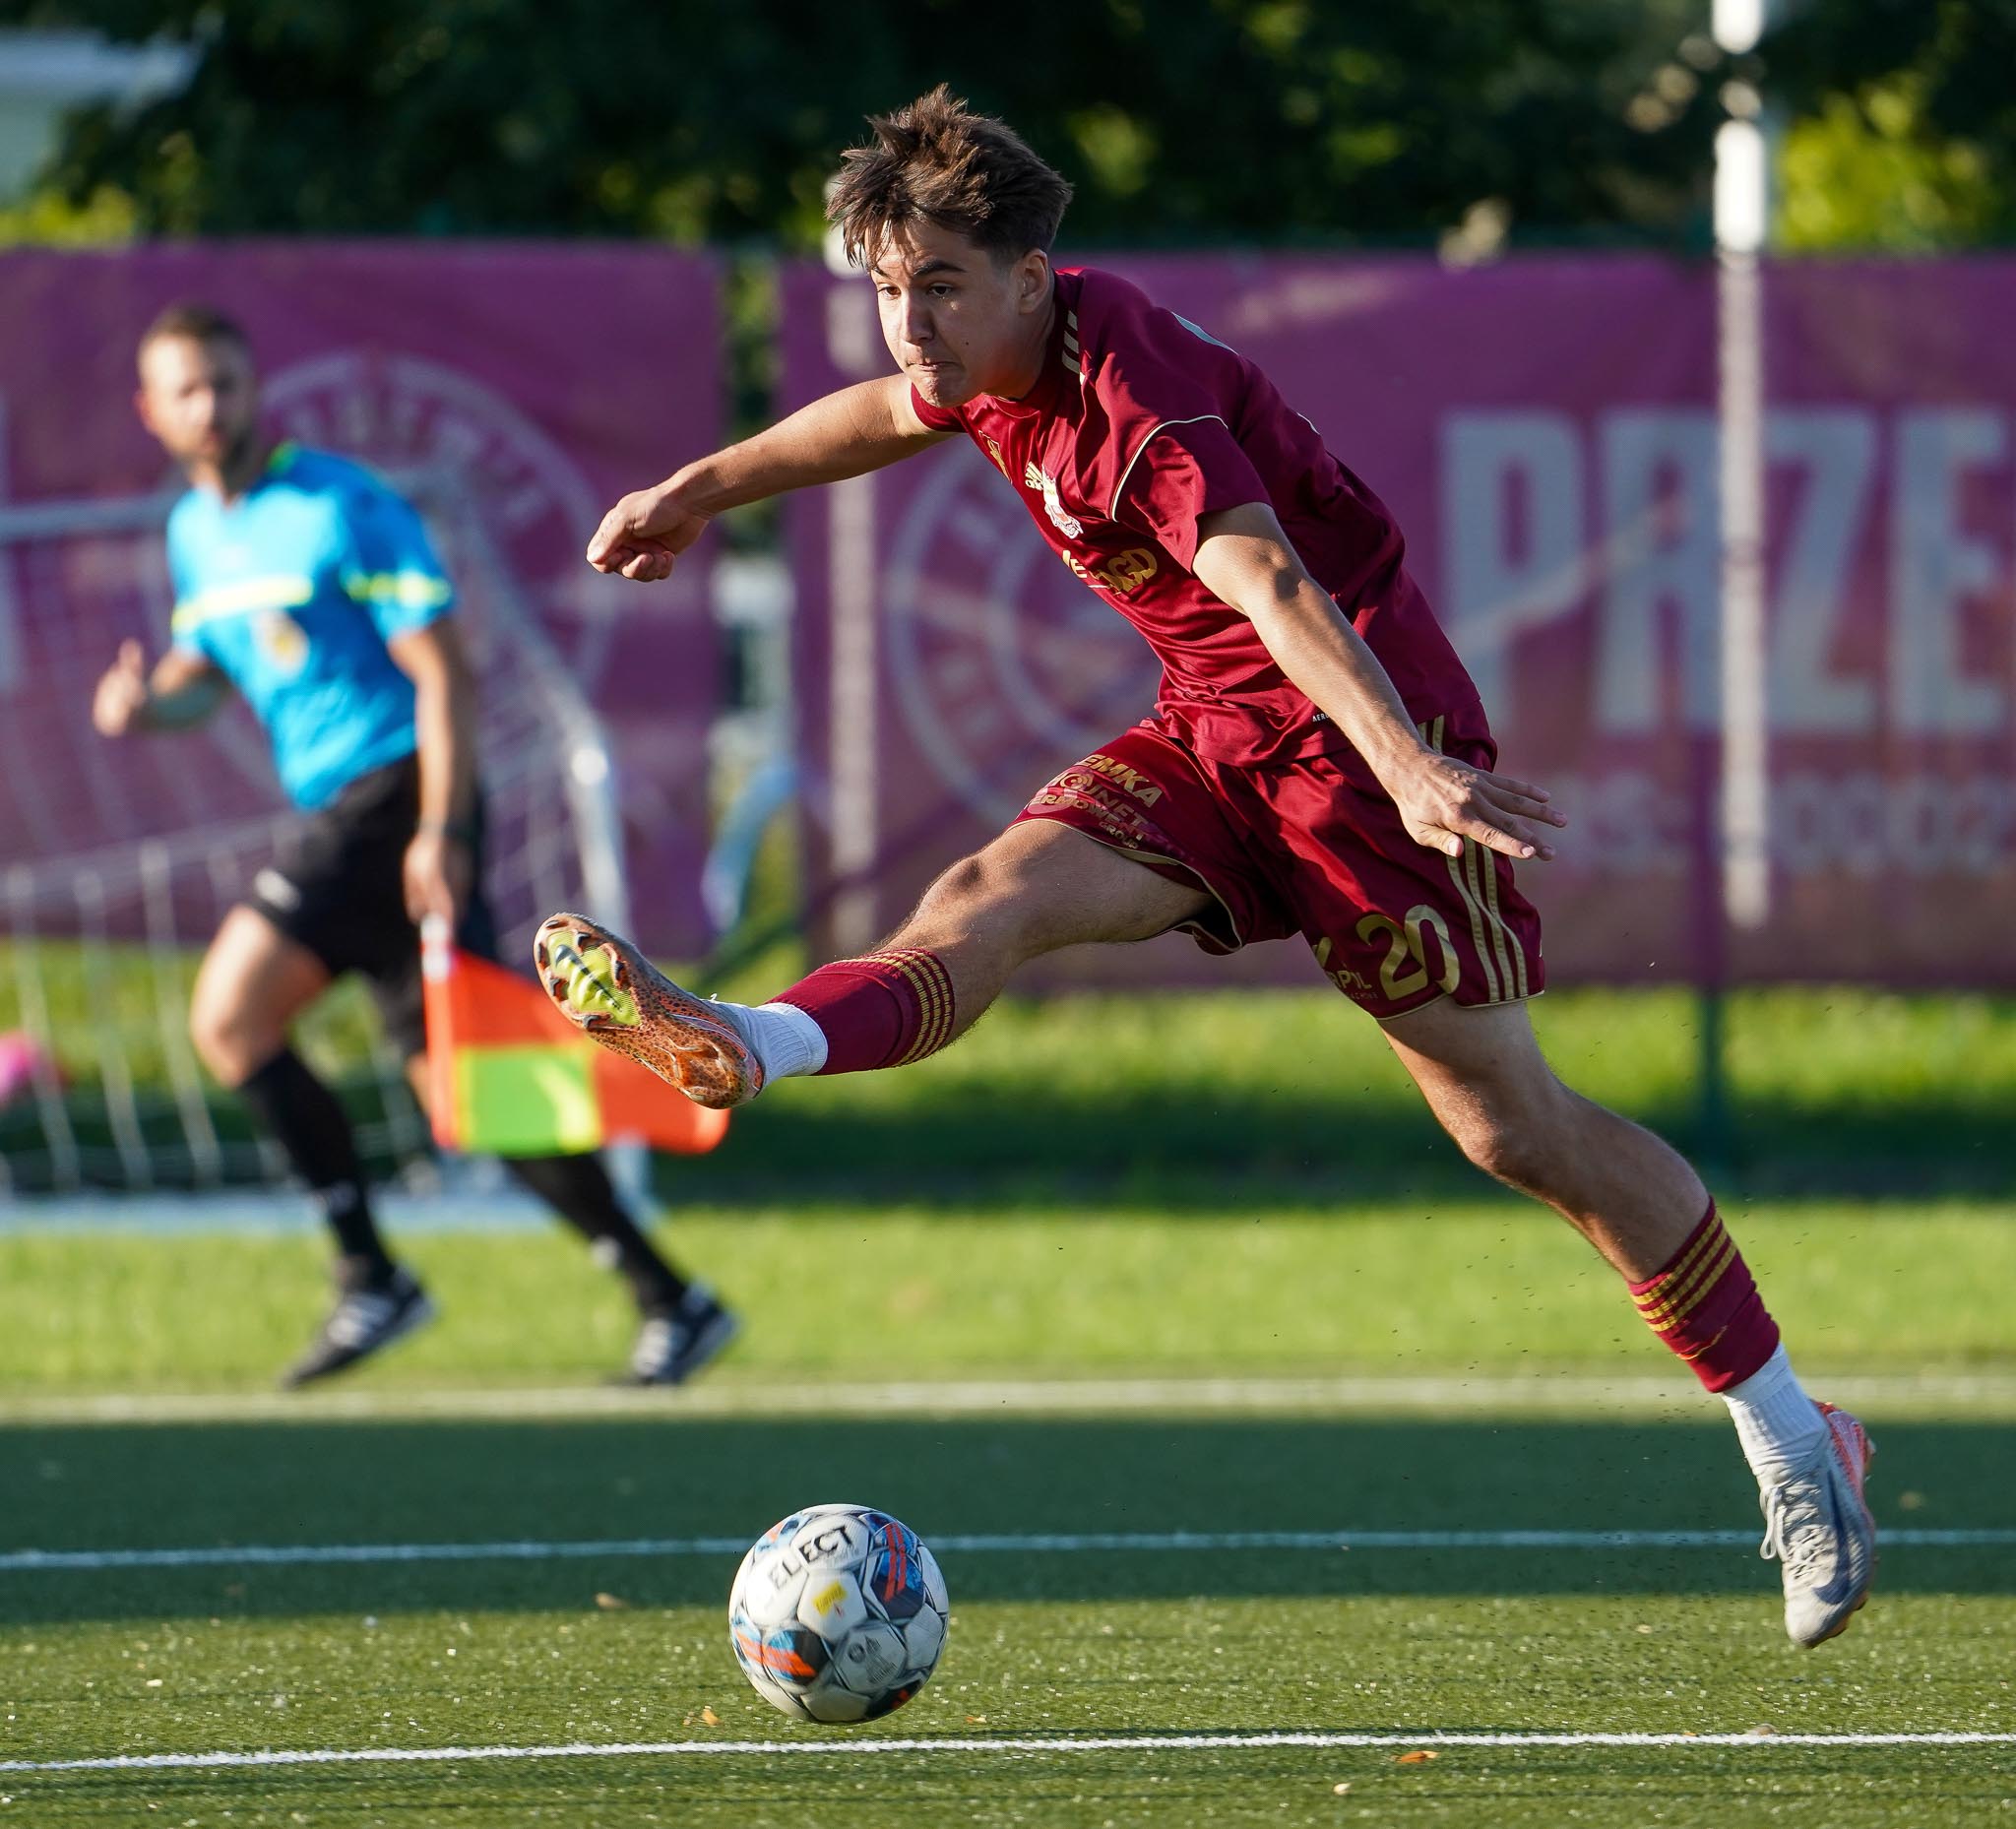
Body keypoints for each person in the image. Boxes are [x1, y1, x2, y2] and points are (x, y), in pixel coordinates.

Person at [536, 90, 1874, 1647]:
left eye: (940, 288)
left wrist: (1409, 764)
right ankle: (750, 1044)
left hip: (1364, 755)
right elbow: (875, 419)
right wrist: (698, 488)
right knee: (992, 897)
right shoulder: (972, 360)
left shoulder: (1133, 398)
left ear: (1034, 276)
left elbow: (1271, 579)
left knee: (1517, 1131)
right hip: (1214, 742)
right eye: (889, 289)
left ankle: (1793, 1430)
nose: (910, 323)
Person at [93, 301, 735, 1390]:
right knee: (469, 1084)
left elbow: (445, 673)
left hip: (394, 794)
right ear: (152, 412)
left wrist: (442, 827)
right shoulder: (192, 534)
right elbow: (203, 675)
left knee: (230, 1015)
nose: (213, 406)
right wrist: (142, 707)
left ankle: (368, 1272)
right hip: (351, 809)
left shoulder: (342, 505)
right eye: (188, 390)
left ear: (256, 391)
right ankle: (671, 1296)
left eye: (228, 382)